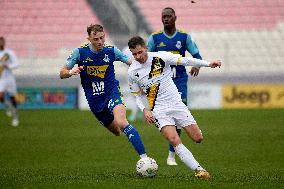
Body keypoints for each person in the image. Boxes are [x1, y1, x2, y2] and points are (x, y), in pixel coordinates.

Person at [127, 36, 221, 179]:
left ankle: (198, 167)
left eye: (140, 52)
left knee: (198, 138)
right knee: (174, 139)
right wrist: (145, 110)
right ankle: (200, 170)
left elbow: (185, 60)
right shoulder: (132, 72)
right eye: (134, 54)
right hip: (158, 110)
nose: (138, 56)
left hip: (176, 104)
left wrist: (208, 64)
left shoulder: (160, 57)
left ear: (145, 48)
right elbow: (138, 95)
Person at [59, 24, 149, 161]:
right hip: (95, 101)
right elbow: (62, 73)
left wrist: (146, 71)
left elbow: (132, 62)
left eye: (102, 38)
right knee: (117, 132)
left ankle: (145, 158)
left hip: (112, 92)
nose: (100, 41)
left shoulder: (111, 51)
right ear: (89, 38)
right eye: (96, 39)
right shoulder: (80, 52)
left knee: (122, 122)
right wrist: (71, 72)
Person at [147, 7, 202, 166]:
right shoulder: (155, 38)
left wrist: (197, 65)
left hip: (179, 81)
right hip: (161, 84)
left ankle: (172, 153)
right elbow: (146, 58)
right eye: (163, 16)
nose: (166, 19)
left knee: (180, 114)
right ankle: (173, 152)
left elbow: (196, 55)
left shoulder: (184, 37)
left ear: (175, 18)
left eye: (169, 16)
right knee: (167, 117)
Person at [0, 36, 20, 127]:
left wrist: (9, 66)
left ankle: (15, 117)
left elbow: (16, 64)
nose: (1, 43)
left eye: (2, 41)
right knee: (0, 96)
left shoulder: (9, 53)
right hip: (1, 79)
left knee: (12, 97)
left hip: (10, 78)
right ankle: (8, 107)